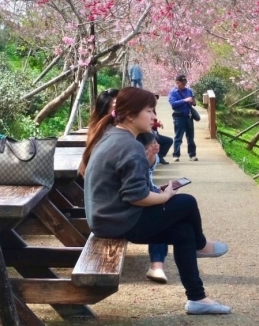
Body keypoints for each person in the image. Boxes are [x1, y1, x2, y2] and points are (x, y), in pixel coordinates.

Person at [80, 87, 231, 315]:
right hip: (118, 221)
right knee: (186, 202)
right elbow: (137, 197)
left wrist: (152, 174)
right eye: (149, 111)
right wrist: (165, 195)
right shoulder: (128, 145)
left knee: (184, 234)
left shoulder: (113, 135)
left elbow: (129, 187)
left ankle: (197, 299)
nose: (154, 116)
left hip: (107, 218)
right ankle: (201, 246)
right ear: (130, 115)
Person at [136, 131, 170, 283]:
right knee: (160, 212)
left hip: (141, 195)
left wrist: (157, 189)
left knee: (181, 204)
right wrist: (162, 196)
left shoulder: (145, 147)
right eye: (148, 111)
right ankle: (156, 266)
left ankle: (157, 265)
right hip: (117, 213)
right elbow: (136, 190)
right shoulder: (127, 149)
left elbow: (147, 176)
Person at [169, 74, 197, 162]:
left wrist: (193, 101)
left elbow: (194, 103)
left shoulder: (189, 91)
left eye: (185, 82)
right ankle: (176, 155)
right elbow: (173, 104)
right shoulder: (173, 92)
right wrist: (184, 100)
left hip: (188, 116)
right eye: (183, 83)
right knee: (178, 137)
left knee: (190, 137)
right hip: (179, 116)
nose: (184, 84)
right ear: (177, 83)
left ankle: (192, 154)